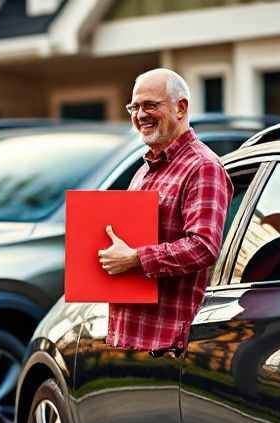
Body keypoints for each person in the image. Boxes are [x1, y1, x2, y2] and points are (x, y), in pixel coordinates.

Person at [98, 68, 233, 354]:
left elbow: (203, 247)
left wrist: (136, 258)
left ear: (180, 108)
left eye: (150, 105)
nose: (140, 115)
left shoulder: (203, 167)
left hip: (169, 344)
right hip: (134, 339)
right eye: (134, 107)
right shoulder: (144, 171)